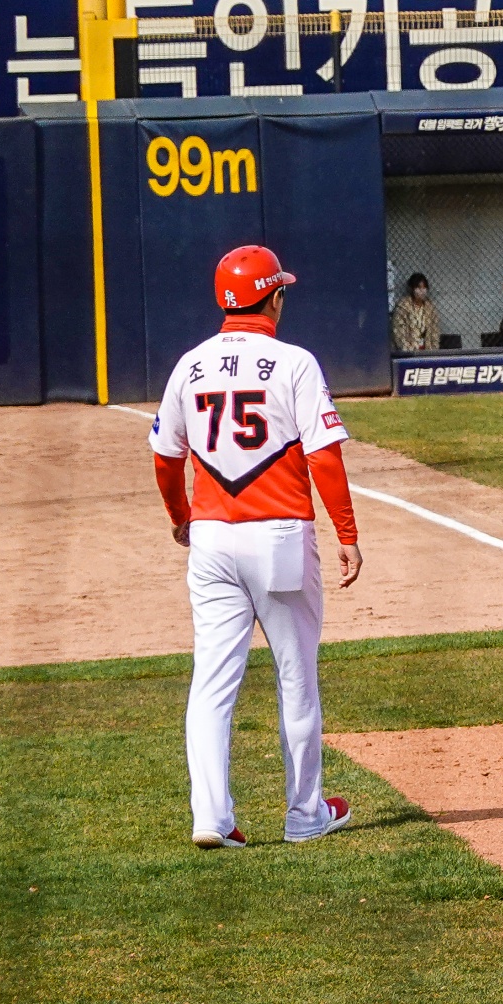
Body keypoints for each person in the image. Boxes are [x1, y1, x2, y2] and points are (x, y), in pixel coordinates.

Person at [149, 245, 366, 849]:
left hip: (211, 540)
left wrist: (180, 517)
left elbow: (166, 458)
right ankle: (305, 815)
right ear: (273, 297)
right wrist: (347, 534)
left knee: (211, 682)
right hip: (280, 539)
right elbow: (325, 457)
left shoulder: (189, 365)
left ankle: (211, 818)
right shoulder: (295, 362)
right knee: (297, 678)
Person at [389, 271, 440, 353]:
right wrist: (407, 349)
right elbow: (398, 331)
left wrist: (434, 350)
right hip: (409, 350)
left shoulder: (430, 308)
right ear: (412, 289)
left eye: (424, 287)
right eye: (419, 288)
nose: (422, 291)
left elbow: (435, 332)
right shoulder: (403, 307)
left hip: (427, 350)